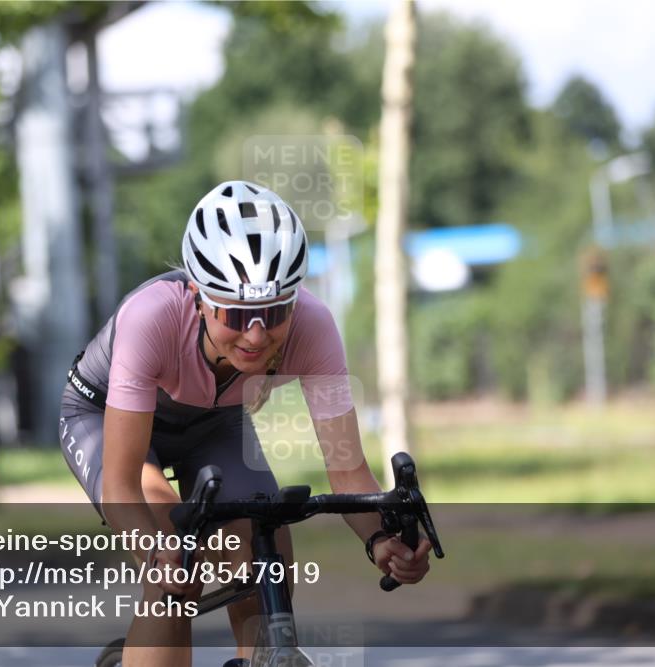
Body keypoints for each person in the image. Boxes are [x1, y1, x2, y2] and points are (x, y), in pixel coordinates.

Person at [59, 180, 432, 667]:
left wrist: (382, 540)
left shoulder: (313, 326)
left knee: (263, 548)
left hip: (215, 422)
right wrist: (156, 551)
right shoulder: (152, 317)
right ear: (198, 295)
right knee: (176, 557)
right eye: (236, 314)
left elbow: (347, 470)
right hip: (106, 417)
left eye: (273, 311)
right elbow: (125, 484)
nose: (256, 335)